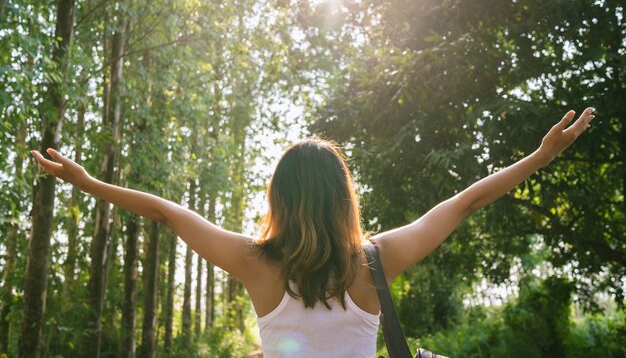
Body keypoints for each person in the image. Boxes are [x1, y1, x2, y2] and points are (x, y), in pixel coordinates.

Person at [31, 107, 595, 358]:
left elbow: (168, 213)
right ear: (342, 196)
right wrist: (541, 155)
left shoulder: (255, 263)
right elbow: (466, 202)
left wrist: (88, 182)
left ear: (279, 196)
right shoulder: (376, 260)